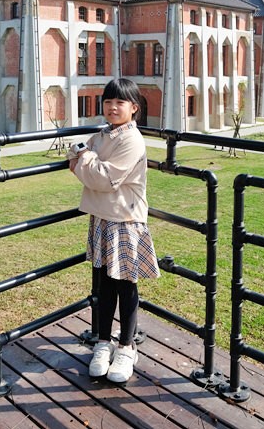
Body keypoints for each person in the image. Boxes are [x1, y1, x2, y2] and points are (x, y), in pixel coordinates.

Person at [68, 78, 159, 383]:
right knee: (104, 284)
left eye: (120, 102)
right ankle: (103, 342)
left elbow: (103, 179)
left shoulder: (131, 140)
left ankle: (126, 346)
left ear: (134, 108)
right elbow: (79, 165)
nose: (112, 107)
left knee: (125, 285)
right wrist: (85, 161)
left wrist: (85, 158)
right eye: (108, 101)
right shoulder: (102, 135)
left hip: (125, 219)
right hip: (103, 217)